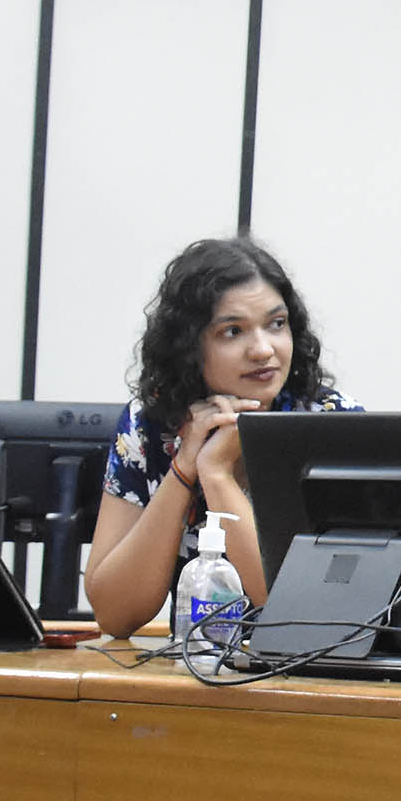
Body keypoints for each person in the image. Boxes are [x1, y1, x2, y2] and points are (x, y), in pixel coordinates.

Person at [85, 237, 358, 638]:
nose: (264, 349)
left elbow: (296, 613)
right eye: (233, 332)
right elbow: (115, 614)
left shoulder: (330, 423)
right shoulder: (150, 424)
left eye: (276, 324)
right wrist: (183, 468)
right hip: (196, 670)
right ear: (189, 348)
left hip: (309, 674)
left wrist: (215, 473)